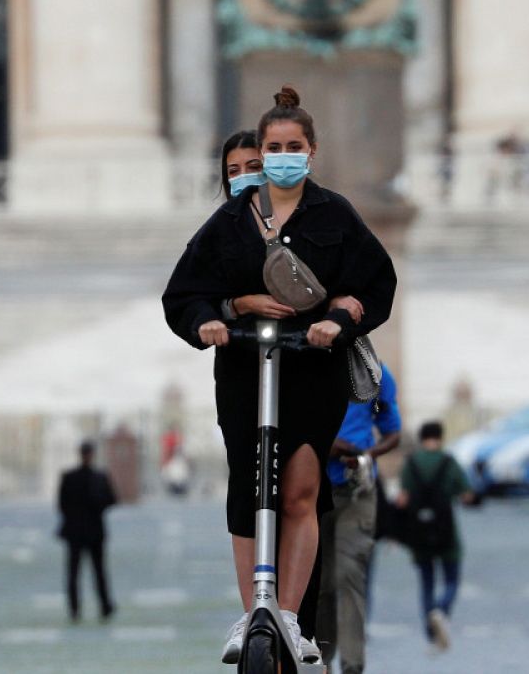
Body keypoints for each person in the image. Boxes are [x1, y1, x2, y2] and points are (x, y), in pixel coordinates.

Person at [162, 86, 398, 665]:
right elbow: (184, 293)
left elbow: (376, 285)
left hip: (311, 373)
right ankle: (252, 612)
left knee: (299, 490)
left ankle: (289, 616)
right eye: (274, 147)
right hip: (245, 372)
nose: (283, 155)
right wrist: (213, 320)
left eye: (295, 146)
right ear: (261, 152)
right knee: (248, 489)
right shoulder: (230, 220)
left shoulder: (334, 214)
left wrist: (338, 320)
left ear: (311, 151)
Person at [318, 363, 402, 674]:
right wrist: (326, 444)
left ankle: (353, 667)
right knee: (322, 584)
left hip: (358, 489)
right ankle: (321, 661)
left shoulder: (375, 372)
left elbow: (393, 432)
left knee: (349, 575)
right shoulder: (309, 364)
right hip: (313, 491)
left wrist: (367, 456)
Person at [396, 420, 474, 652]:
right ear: (440, 437)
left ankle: (431, 634)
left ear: (421, 438)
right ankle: (442, 610)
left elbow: (402, 499)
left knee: (427, 583)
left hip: (419, 531)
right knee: (451, 579)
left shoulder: (411, 464)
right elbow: (467, 495)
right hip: (446, 530)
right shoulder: (449, 462)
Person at [57, 441, 117, 622]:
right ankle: (103, 606)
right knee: (96, 571)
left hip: (77, 531)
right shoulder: (98, 477)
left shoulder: (71, 477)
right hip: (93, 531)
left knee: (77, 572)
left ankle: (77, 608)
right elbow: (112, 499)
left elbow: (62, 504)